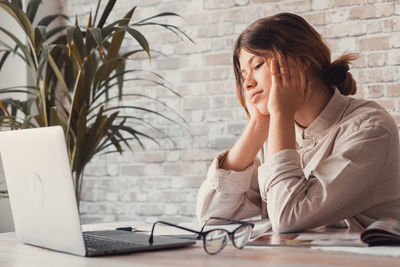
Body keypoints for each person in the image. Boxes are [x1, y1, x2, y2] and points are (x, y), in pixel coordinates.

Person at [196, 13, 400, 233]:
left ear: (303, 61)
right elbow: (213, 217)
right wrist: (257, 125)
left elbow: (288, 218)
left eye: (256, 66)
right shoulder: (279, 132)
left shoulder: (371, 130)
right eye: (243, 74)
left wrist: (281, 114)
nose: (247, 83)